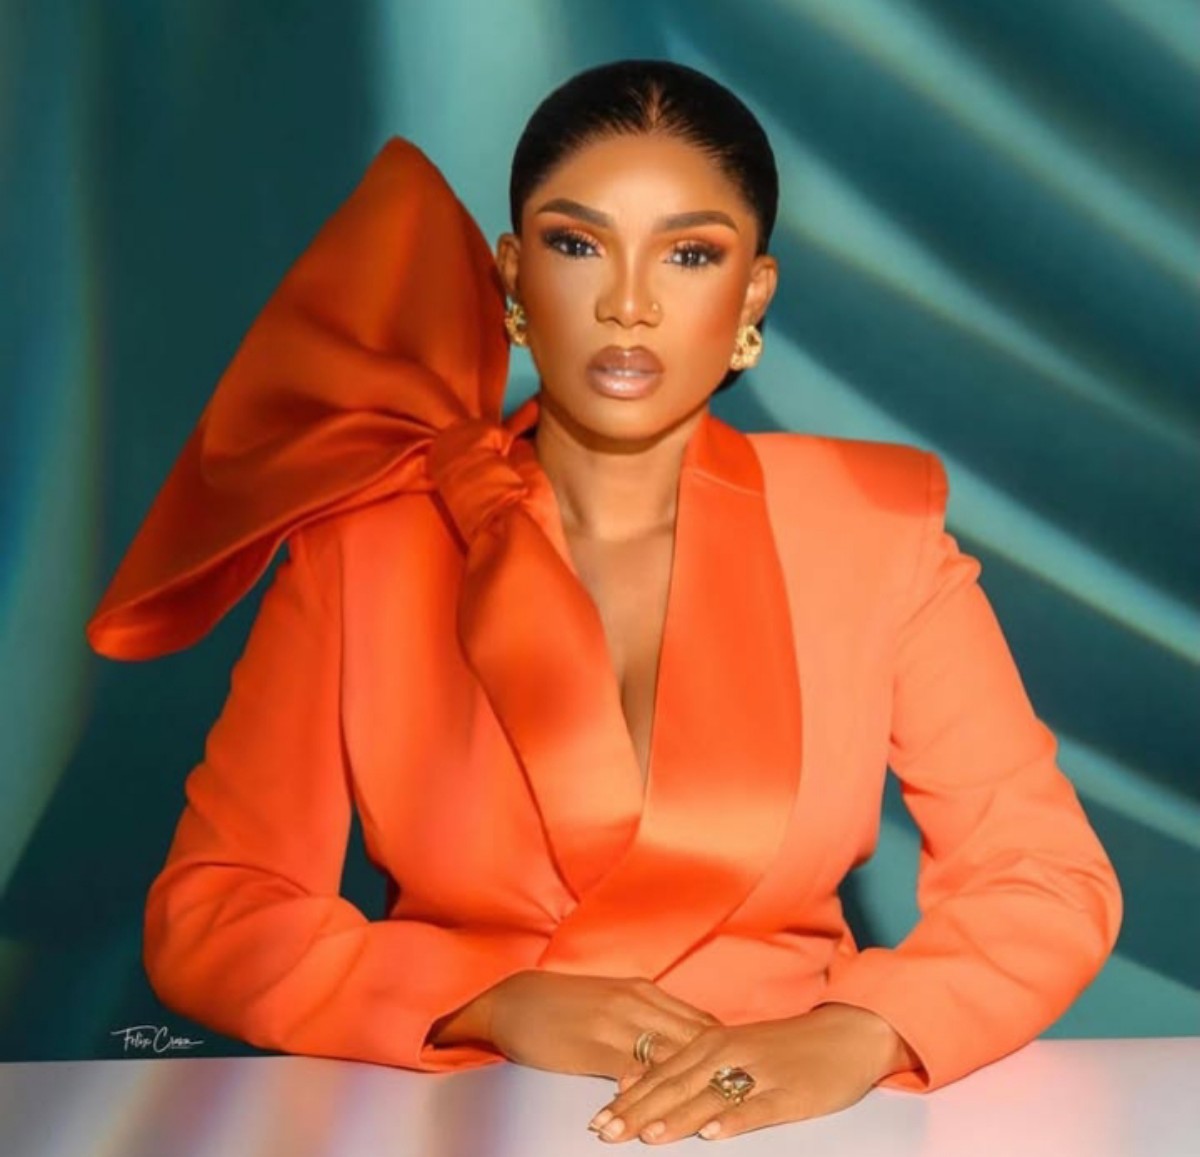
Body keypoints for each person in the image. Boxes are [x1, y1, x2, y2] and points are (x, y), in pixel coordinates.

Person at [87, 60, 1122, 1144]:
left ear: (753, 294)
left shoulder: (874, 532)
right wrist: (480, 1002)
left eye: (691, 253)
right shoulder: (363, 546)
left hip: (792, 1128)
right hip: (467, 1116)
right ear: (513, 274)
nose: (630, 302)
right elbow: (215, 909)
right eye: (578, 244)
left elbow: (1045, 879)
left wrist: (862, 1033)